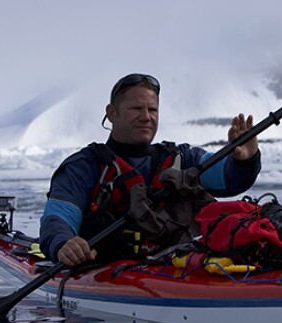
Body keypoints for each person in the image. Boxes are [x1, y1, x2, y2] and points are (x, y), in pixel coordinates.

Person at [40, 73, 260, 267]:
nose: (146, 116)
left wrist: (244, 161)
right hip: (105, 270)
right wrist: (63, 244)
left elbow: (228, 178)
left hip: (174, 265)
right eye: (136, 108)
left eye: (152, 109)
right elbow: (58, 218)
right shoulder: (83, 167)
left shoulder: (181, 158)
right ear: (112, 113)